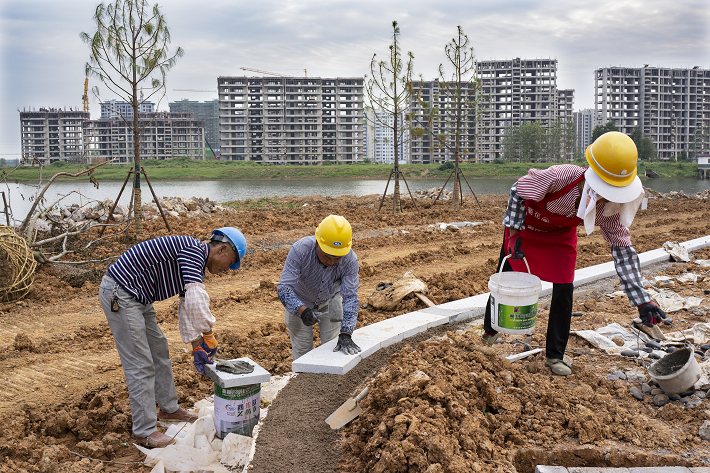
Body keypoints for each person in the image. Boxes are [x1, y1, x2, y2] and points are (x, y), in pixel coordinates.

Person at [482, 131, 666, 376]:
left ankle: (554, 356)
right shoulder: (561, 176)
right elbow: (518, 190)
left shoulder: (609, 208)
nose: (606, 196)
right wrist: (514, 233)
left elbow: (623, 251)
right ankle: (488, 334)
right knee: (504, 278)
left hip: (559, 238)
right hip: (524, 228)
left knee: (564, 291)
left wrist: (642, 300)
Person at [98, 228, 247, 448]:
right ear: (222, 249)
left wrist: (197, 347)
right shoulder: (193, 253)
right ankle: (145, 432)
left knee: (159, 350)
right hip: (121, 293)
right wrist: (208, 334)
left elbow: (187, 306)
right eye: (230, 262)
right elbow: (197, 303)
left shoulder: (194, 262)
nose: (227, 269)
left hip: (139, 297)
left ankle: (169, 410)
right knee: (140, 364)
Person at [277, 215, 362, 361]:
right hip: (300, 300)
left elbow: (350, 298)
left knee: (333, 347)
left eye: (337, 258)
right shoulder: (300, 250)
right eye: (327, 256)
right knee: (302, 352)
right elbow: (284, 288)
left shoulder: (350, 260)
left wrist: (346, 333)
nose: (331, 262)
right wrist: (302, 310)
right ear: (317, 243)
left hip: (332, 301)